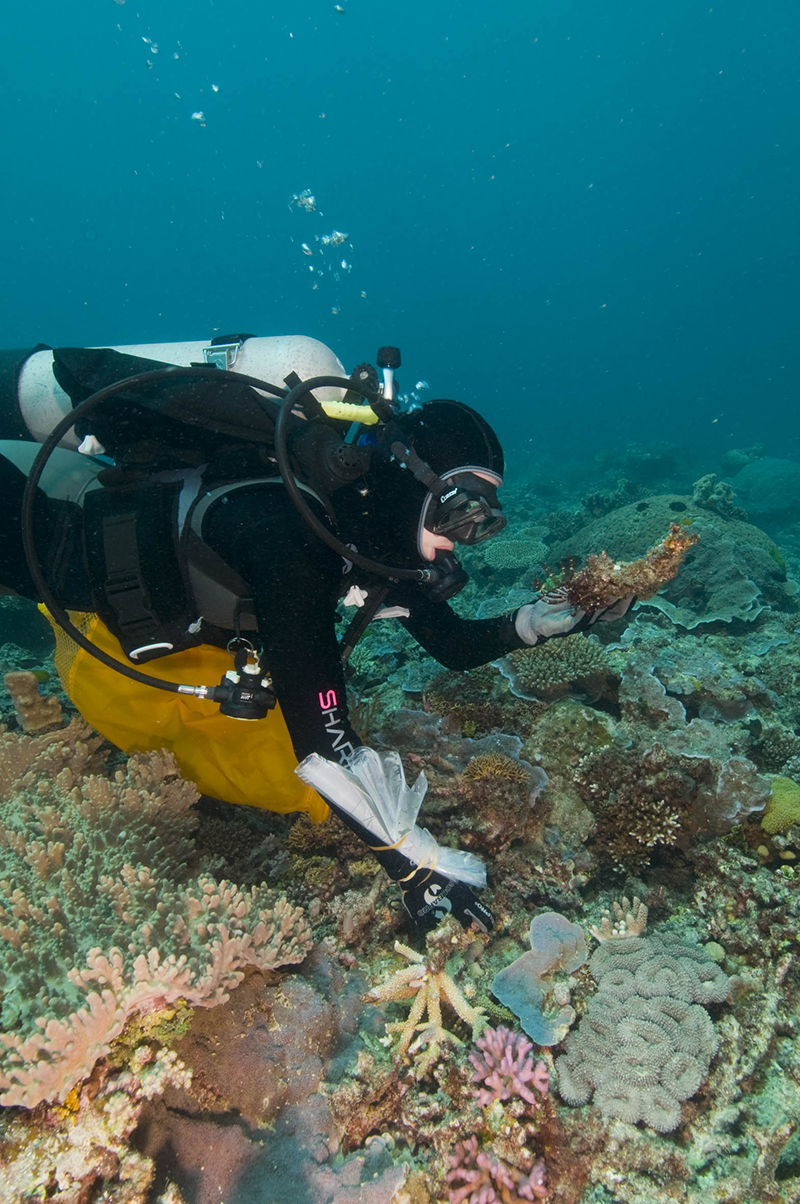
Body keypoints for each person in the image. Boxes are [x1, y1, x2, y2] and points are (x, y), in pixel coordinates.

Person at [0, 337, 633, 931]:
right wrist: (412, 865)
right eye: (457, 508)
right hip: (59, 556)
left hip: (126, 553)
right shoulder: (294, 540)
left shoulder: (373, 536)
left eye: (483, 522)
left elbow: (455, 646)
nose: (459, 538)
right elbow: (324, 744)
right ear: (405, 477)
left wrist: (537, 623)